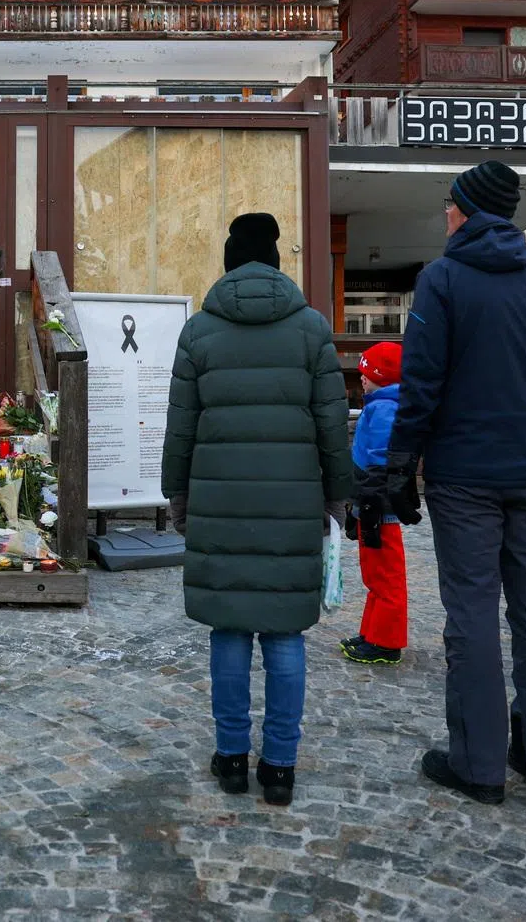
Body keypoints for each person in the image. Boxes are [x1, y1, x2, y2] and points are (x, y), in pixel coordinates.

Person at [162, 213, 351, 806]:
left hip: (220, 500)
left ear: (228, 260)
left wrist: (178, 495)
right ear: (274, 260)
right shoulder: (312, 329)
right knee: (286, 633)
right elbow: (331, 424)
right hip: (292, 501)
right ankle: (280, 767)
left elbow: (181, 426)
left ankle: (231, 758)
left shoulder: (198, 332)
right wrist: (337, 496)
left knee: (230, 627)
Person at [387, 160, 526, 806]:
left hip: (466, 476)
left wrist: (401, 466)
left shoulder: (445, 279)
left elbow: (421, 382)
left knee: (472, 614)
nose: (445, 213)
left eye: (451, 204)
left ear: (469, 210)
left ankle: (479, 764)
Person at [342, 341, 408, 665]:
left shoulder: (385, 409)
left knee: (385, 574)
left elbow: (381, 462)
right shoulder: (378, 405)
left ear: (381, 376)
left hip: (378, 507)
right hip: (369, 503)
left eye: (366, 373)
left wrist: (367, 505)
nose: (362, 378)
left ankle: (386, 642)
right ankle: (372, 632)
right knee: (374, 573)